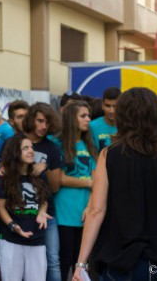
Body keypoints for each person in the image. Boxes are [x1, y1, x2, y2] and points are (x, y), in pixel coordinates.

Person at [72, 87, 157, 281]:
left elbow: (96, 210)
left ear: (124, 115)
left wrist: (81, 264)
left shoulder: (110, 154)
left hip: (120, 261)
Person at [51, 101, 97, 281]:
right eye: (83, 116)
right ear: (71, 118)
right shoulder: (57, 143)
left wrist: (91, 205)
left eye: (88, 115)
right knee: (64, 262)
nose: (88, 119)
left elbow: (97, 181)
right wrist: (88, 183)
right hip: (64, 212)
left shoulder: (90, 144)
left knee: (82, 265)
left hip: (85, 212)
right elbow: (60, 179)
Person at [0, 133, 51, 281]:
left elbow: (44, 200)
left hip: (37, 240)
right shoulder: (5, 176)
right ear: (15, 152)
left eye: (32, 147)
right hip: (11, 240)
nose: (31, 151)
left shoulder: (39, 174)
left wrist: (41, 212)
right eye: (25, 148)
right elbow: (1, 207)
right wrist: (13, 226)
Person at [22, 102, 62, 281]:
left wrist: (45, 167)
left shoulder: (51, 148)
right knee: (22, 262)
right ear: (31, 120)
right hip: (20, 213)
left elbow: (55, 187)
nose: (44, 126)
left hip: (47, 214)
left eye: (47, 122)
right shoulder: (17, 142)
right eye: (39, 121)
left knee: (52, 260)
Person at [90, 87, 121, 152]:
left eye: (115, 106)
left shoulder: (127, 126)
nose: (111, 111)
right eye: (108, 106)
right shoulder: (92, 126)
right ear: (102, 105)